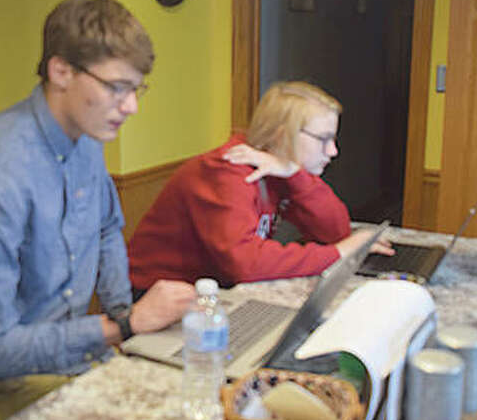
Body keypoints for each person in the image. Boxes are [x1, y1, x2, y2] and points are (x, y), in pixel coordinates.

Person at [0, 0, 195, 420]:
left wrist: (130, 321)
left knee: (191, 400)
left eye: (136, 88)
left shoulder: (86, 137)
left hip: (70, 355)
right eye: (116, 87)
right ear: (61, 71)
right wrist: (122, 327)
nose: (131, 107)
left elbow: (107, 229)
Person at [128, 81, 393, 292]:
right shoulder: (228, 171)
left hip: (212, 291)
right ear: (282, 134)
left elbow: (335, 230)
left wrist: (295, 175)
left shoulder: (280, 168)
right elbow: (245, 264)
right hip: (155, 295)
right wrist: (338, 253)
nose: (333, 151)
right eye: (323, 139)